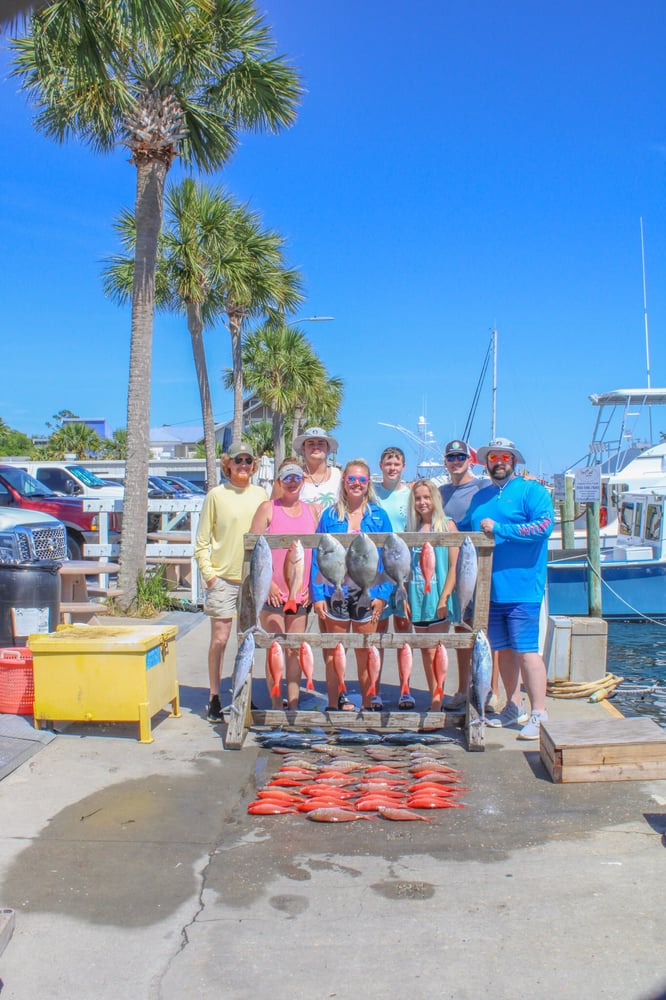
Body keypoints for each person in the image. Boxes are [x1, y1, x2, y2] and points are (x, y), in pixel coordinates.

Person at [458, 437, 554, 740]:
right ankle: (513, 706)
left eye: (504, 456)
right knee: (504, 651)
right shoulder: (481, 496)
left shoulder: (532, 490)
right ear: (486, 462)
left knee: (527, 652)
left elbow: (544, 527)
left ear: (513, 461)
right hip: (489, 590)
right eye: (493, 457)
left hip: (523, 588)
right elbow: (465, 528)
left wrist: (501, 529)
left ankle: (539, 711)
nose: (498, 461)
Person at [310, 458, 393, 711]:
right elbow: (317, 557)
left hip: (367, 591)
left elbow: (390, 557)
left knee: (365, 651)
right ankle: (334, 706)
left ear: (368, 484)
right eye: (352, 479)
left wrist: (383, 594)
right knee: (336, 651)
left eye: (362, 480)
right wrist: (317, 595)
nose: (356, 484)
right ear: (344, 482)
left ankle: (367, 706)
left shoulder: (379, 516)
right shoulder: (330, 515)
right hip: (334, 590)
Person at [194, 442, 268, 722]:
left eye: (249, 460)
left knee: (247, 640)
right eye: (239, 460)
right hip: (223, 578)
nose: (244, 465)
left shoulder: (261, 494)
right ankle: (214, 695)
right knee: (221, 639)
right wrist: (210, 576)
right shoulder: (216, 495)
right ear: (228, 464)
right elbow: (201, 542)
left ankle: (243, 693)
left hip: (252, 578)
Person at [249, 460, 319, 710]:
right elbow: (253, 551)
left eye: (296, 477)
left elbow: (318, 555)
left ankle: (295, 703)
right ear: (278, 481)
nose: (292, 482)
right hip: (273, 593)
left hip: (300, 593)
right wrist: (267, 585)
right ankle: (277, 704)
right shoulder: (267, 508)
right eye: (286, 477)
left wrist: (314, 587)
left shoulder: (313, 511)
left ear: (303, 481)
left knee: (295, 649)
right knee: (275, 647)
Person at [395, 480, 459, 710]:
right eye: (418, 498)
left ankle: (436, 702)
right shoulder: (410, 530)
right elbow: (404, 569)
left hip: (439, 597)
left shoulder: (448, 526)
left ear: (435, 499)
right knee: (425, 649)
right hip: (416, 597)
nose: (422, 502)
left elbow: (453, 567)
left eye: (427, 497)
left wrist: (445, 597)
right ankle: (435, 696)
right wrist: (403, 598)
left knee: (436, 648)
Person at [438, 439, 488, 711]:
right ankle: (461, 689)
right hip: (452, 568)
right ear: (445, 462)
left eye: (460, 457)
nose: (456, 461)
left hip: (479, 565)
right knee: (460, 626)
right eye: (451, 457)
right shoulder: (441, 491)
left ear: (469, 460)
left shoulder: (483, 486)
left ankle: (489, 691)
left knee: (483, 630)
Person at [292, 426, 342, 508]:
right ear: (303, 448)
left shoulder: (340, 477)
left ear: (328, 447)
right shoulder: (291, 478)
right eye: (310, 443)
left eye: (321, 443)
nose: (316, 447)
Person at [375, 446, 410, 531]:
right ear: (380, 465)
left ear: (403, 466)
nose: (392, 468)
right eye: (388, 464)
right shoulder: (371, 493)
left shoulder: (410, 495)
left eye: (397, 464)